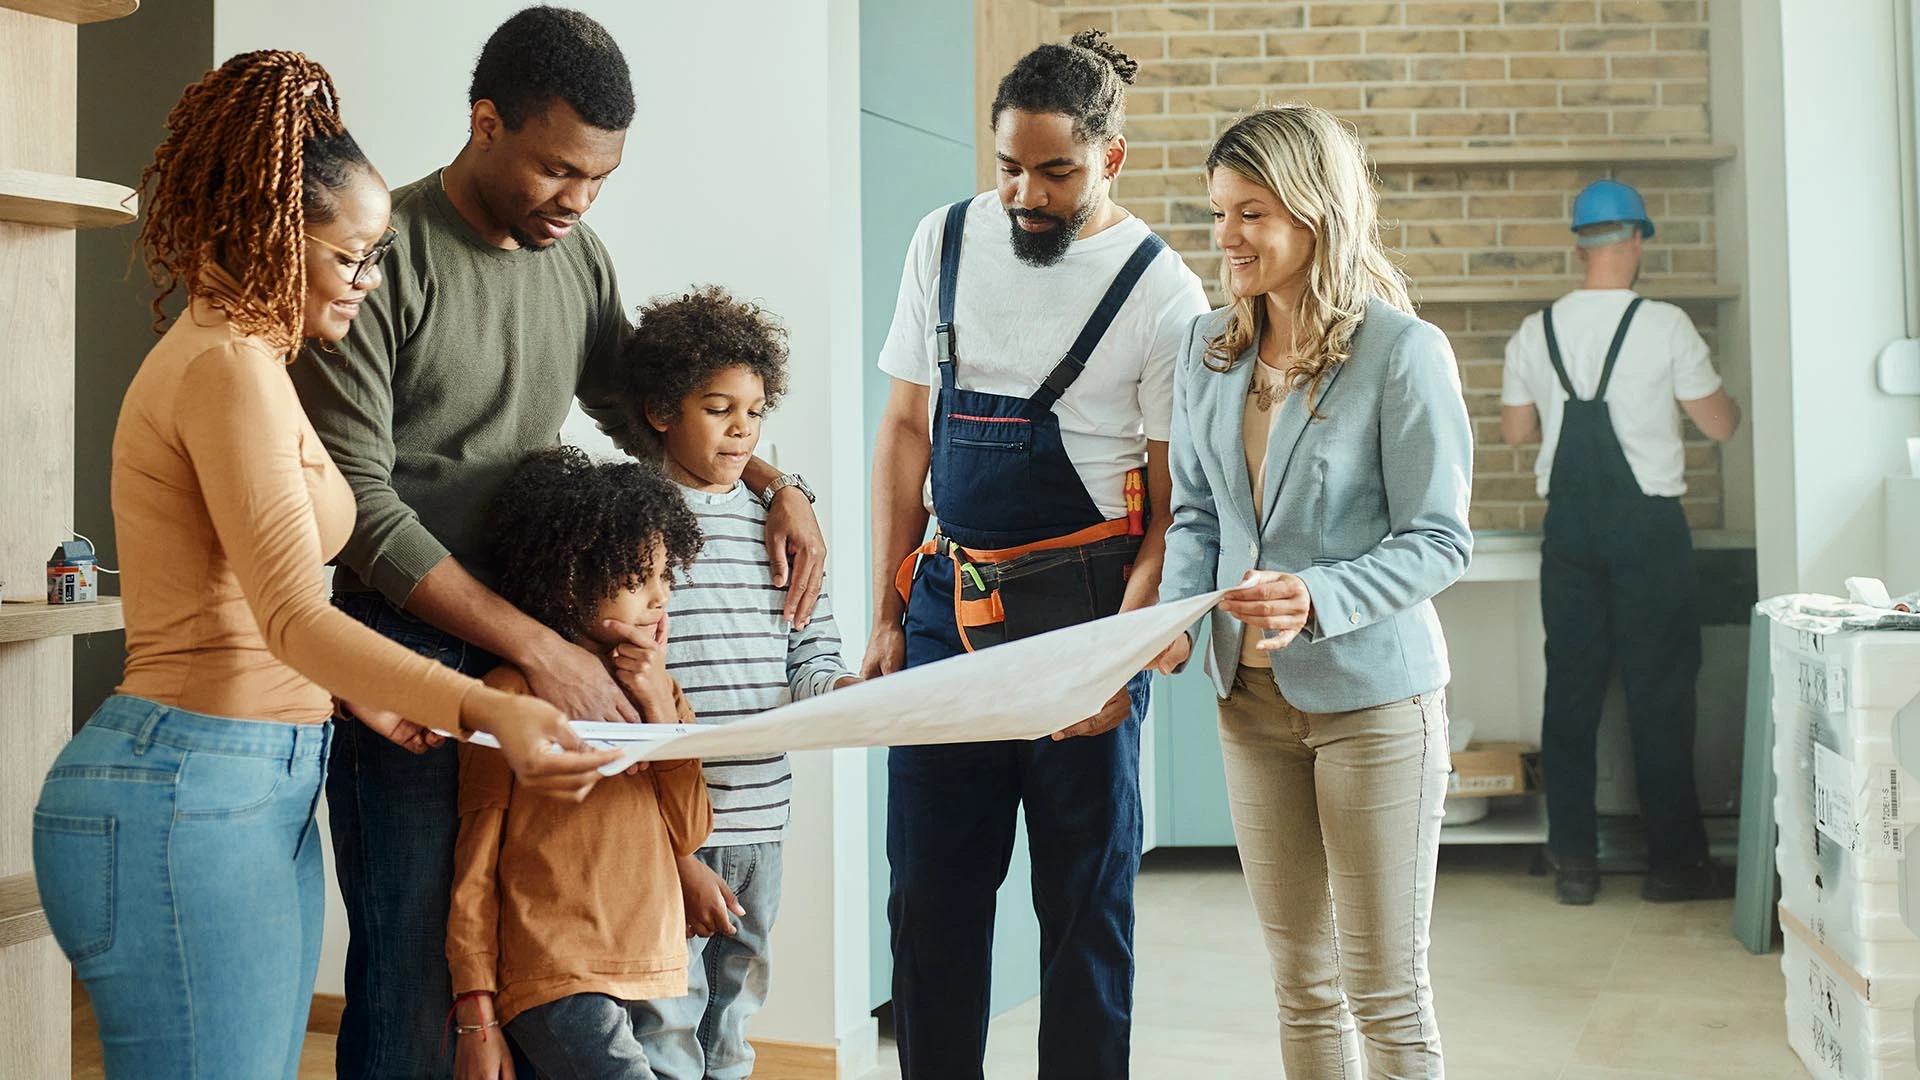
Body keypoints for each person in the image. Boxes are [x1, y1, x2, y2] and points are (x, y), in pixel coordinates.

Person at [30, 52, 616, 1080]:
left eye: (379, 257)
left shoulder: (254, 363)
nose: (371, 283)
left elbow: (260, 601)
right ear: (270, 233)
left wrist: (350, 687)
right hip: (188, 787)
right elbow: (296, 613)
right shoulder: (225, 369)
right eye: (354, 259)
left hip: (245, 783)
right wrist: (488, 707)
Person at [286, 10, 827, 1075]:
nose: (577, 201)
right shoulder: (376, 260)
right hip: (405, 655)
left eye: (600, 180)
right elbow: (359, 512)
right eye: (557, 170)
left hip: (538, 643)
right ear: (485, 123)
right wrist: (540, 653)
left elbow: (650, 410)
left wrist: (774, 479)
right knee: (413, 968)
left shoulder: (575, 259)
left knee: (540, 959)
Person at [864, 30, 1209, 1079]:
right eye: (1008, 165)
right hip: (944, 604)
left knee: (1083, 904)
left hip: (1086, 621)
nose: (1025, 193)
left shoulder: (1162, 290)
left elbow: (1168, 502)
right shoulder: (944, 240)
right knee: (932, 894)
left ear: (1110, 158)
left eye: (1055, 171)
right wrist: (888, 615)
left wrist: (1125, 652)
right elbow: (906, 433)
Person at [1152, 104, 1473, 1079]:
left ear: (1315, 214)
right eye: (1218, 215)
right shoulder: (1209, 348)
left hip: (1376, 705)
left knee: (1384, 987)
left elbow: (1439, 539)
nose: (1227, 239)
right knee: (1301, 979)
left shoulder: (1401, 354)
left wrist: (1317, 595)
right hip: (1248, 704)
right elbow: (1198, 514)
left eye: (1252, 214)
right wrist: (1174, 613)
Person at [608, 287, 860, 1079]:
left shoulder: (783, 526)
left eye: (754, 411)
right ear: (660, 411)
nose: (742, 429)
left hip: (762, 814)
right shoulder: (631, 520)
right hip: (668, 815)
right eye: (718, 408)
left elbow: (810, 654)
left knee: (737, 1001)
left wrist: (842, 690)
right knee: (666, 1005)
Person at [1499, 179, 1743, 906]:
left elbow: (1516, 434)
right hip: (1649, 533)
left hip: (1568, 532)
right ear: (1635, 241)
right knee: (1659, 694)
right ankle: (1675, 866)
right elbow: (1721, 426)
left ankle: (1574, 861)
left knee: (1570, 693)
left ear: (1581, 246)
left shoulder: (1534, 331)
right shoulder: (1666, 326)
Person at [447, 447, 713, 1080]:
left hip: (653, 964)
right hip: (553, 972)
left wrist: (655, 704)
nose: (660, 598)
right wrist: (475, 1012)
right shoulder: (508, 695)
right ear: (572, 583)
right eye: (637, 578)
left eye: (665, 575)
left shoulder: (665, 696)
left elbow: (692, 829)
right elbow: (474, 865)